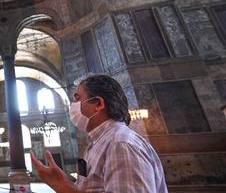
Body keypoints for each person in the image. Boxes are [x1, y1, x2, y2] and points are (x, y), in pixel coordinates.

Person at [30, 74, 168, 192]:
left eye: (77, 98)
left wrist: (64, 187)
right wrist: (66, 185)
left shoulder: (120, 145)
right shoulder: (97, 143)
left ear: (98, 104)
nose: (73, 104)